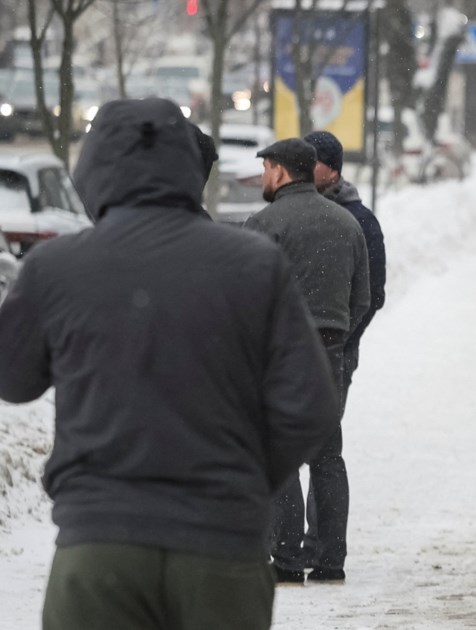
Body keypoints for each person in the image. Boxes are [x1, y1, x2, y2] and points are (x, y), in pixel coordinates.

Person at [0, 98, 340, 629]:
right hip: (222, 549)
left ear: (94, 170)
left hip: (100, 548)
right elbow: (311, 406)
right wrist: (243, 482)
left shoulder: (56, 268)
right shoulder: (253, 264)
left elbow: (13, 378)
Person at [245, 137, 371, 585]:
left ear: (281, 171)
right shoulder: (346, 223)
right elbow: (363, 298)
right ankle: (330, 558)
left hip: (280, 353)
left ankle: (286, 558)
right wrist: (336, 336)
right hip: (330, 351)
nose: (263, 177)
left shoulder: (264, 224)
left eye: (266, 168)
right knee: (327, 454)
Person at [301, 130, 388, 563]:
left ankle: (321, 545)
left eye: (312, 162)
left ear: (332, 170)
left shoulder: (359, 220)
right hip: (297, 349)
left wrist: (341, 339)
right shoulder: (294, 213)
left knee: (322, 446)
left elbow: (372, 294)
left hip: (335, 352)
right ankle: (299, 543)